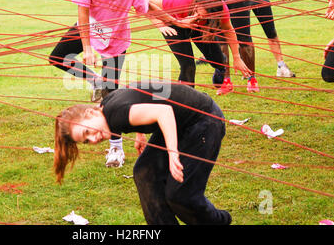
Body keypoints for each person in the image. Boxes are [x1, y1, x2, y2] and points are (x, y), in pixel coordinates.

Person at [49, 0, 179, 168]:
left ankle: (116, 149)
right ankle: (95, 79)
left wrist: (173, 20)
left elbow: (146, 6)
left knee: (111, 95)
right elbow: (83, 8)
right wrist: (87, 47)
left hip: (116, 40)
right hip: (87, 26)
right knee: (58, 58)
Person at [53, 81, 232, 225]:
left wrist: (172, 153)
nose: (93, 140)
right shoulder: (105, 106)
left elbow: (164, 111)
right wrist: (140, 133)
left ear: (90, 112)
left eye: (87, 132)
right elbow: (140, 96)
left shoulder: (116, 114)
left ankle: (220, 221)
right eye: (86, 141)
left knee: (180, 195)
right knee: (144, 172)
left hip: (204, 120)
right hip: (181, 122)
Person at [147, 0, 251, 93]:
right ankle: (186, 102)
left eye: (203, 16)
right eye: (198, 13)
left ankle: (220, 64)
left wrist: (236, 57)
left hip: (201, 27)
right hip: (174, 22)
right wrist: (160, 24)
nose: (199, 16)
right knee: (188, 65)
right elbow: (144, 2)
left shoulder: (221, 10)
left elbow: (229, 30)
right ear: (196, 4)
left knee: (218, 60)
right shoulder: (180, 1)